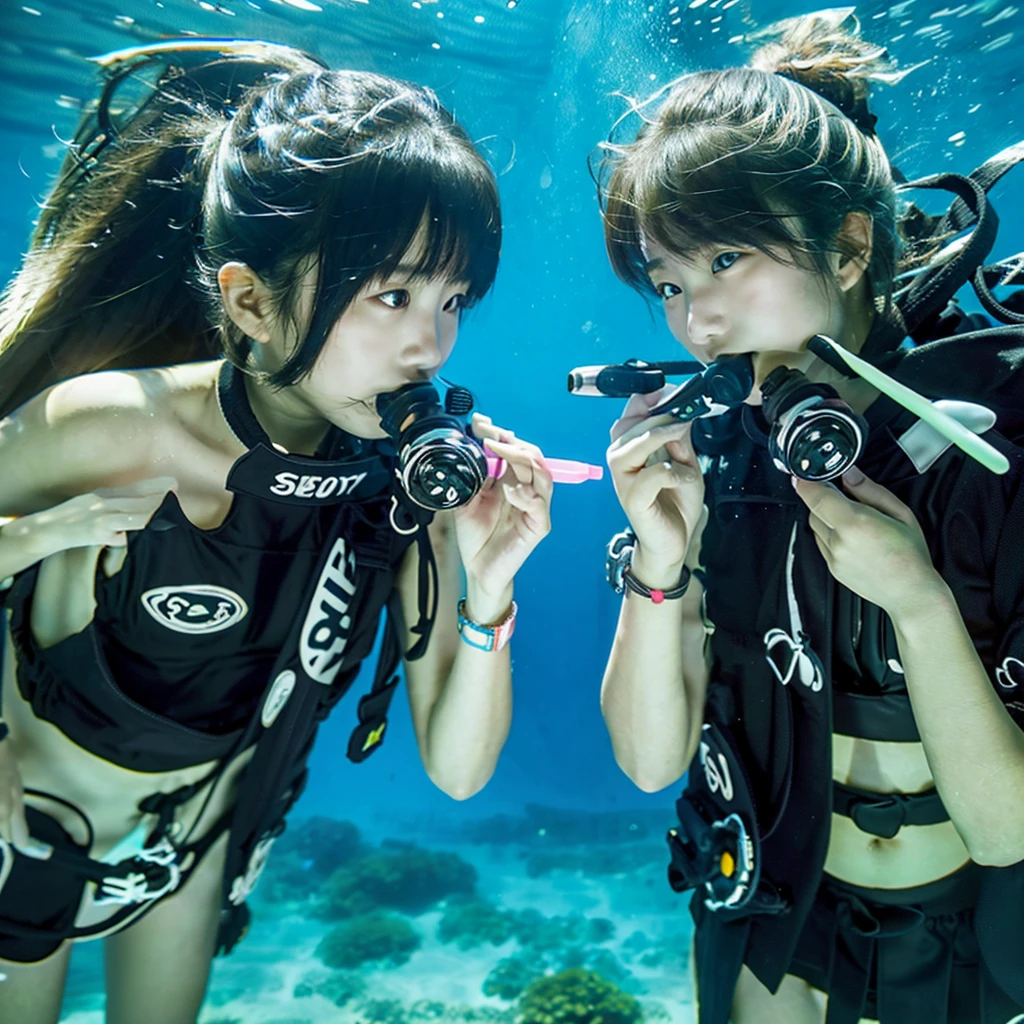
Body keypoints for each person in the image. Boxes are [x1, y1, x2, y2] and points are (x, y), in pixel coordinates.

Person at [0, 40, 553, 1024]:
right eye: (391, 295)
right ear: (250, 299)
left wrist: (493, 580)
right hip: (18, 835)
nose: (428, 345)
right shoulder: (115, 425)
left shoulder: (406, 494)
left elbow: (460, 771)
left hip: (192, 850)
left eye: (452, 300)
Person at [596, 10, 1024, 1024]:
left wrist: (918, 603)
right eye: (668, 281)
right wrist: (659, 564)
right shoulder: (716, 451)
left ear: (847, 246)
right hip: (776, 929)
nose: (698, 322)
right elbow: (651, 761)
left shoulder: (997, 438)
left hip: (979, 945)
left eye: (725, 262)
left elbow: (1007, 829)